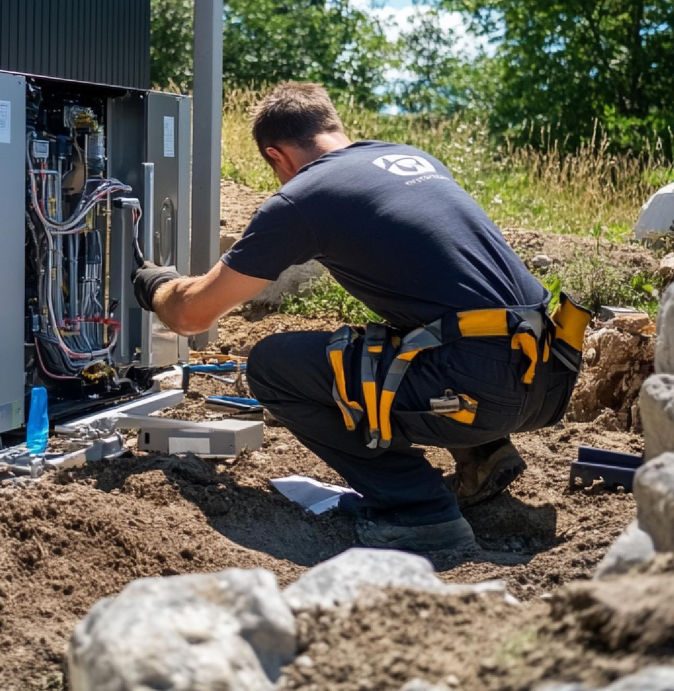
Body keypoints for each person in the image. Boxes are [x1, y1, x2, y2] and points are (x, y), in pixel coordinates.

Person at [131, 82, 589, 552]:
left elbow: (192, 314)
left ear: (276, 156)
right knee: (409, 333)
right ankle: (484, 456)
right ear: (333, 128)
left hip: (479, 389)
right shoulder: (412, 160)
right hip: (548, 377)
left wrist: (156, 283)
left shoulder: (305, 196)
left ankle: (419, 512)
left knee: (274, 366)